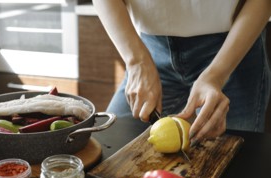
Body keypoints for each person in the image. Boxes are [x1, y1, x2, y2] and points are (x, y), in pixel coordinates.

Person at [92, 0, 271, 145]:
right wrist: (136, 61)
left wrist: (216, 76)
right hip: (149, 52)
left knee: (234, 165)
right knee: (112, 147)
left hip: (232, 52)